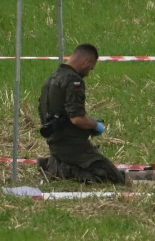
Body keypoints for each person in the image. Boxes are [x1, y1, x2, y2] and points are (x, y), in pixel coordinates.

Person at [36, 43, 126, 184]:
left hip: (55, 142)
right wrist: (95, 125)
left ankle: (55, 164)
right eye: (91, 68)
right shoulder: (73, 80)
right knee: (113, 177)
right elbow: (77, 118)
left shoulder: (52, 78)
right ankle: (60, 170)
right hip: (72, 145)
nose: (89, 73)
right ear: (86, 62)